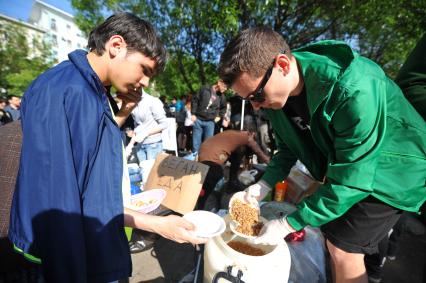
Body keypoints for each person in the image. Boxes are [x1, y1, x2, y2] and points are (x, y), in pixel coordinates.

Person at [9, 13, 206, 283]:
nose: (146, 83)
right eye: (145, 70)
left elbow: (92, 166)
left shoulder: (92, 89)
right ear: (116, 46)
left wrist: (124, 111)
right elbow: (57, 200)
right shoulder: (64, 90)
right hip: (62, 256)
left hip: (88, 243)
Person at [218, 27, 426, 283]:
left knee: (344, 249)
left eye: (257, 95)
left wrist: (288, 224)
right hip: (354, 169)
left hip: (393, 170)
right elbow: (287, 149)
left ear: (282, 64)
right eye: (248, 99)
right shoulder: (276, 98)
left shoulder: (355, 88)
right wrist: (263, 185)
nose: (256, 106)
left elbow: (352, 180)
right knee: (332, 238)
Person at [197, 130, 270, 209]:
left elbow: (236, 159)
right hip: (211, 156)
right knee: (211, 180)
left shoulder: (234, 135)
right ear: (253, 134)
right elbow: (259, 152)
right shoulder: (247, 137)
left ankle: (231, 183)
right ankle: (200, 207)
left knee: (236, 157)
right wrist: (270, 163)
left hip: (205, 148)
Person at [126, 89, 168, 162]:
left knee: (150, 172)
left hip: (153, 145)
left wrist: (146, 133)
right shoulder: (133, 102)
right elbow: (138, 127)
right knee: (142, 171)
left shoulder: (153, 101)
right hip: (139, 145)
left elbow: (164, 124)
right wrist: (130, 145)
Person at [190, 81, 227, 155]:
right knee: (196, 143)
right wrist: (193, 113)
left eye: (227, 88)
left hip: (210, 122)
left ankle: (204, 162)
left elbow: (223, 108)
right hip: (198, 120)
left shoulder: (222, 96)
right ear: (219, 83)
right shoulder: (204, 89)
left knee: (208, 144)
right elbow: (195, 100)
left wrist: (219, 116)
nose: (226, 89)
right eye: (225, 86)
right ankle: (194, 159)